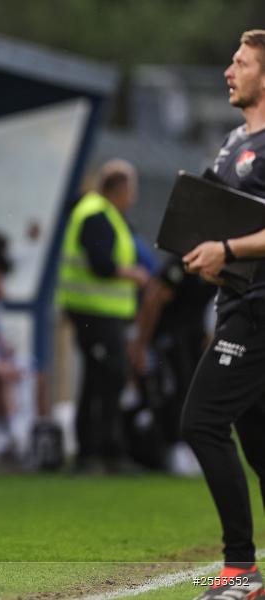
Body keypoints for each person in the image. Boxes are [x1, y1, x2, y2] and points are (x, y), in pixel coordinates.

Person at [181, 30, 265, 599]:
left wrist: (229, 250)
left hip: (259, 311)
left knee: (201, 421)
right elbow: (214, 214)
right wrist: (203, 252)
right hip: (234, 300)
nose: (228, 72)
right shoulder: (233, 140)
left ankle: (241, 569)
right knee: (259, 444)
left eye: (240, 62)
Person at [56, 159, 149, 473]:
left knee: (101, 380)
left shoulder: (102, 213)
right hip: (94, 312)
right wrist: (134, 275)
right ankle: (100, 453)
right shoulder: (97, 214)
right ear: (119, 188)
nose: (132, 198)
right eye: (130, 191)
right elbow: (100, 264)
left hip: (98, 313)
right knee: (107, 379)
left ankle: (96, 453)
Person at [126, 256, 215, 473]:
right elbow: (153, 299)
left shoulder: (220, 262)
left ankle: (192, 447)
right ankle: (176, 448)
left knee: (195, 389)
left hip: (194, 335)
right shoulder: (183, 262)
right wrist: (140, 343)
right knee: (176, 388)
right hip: (170, 335)